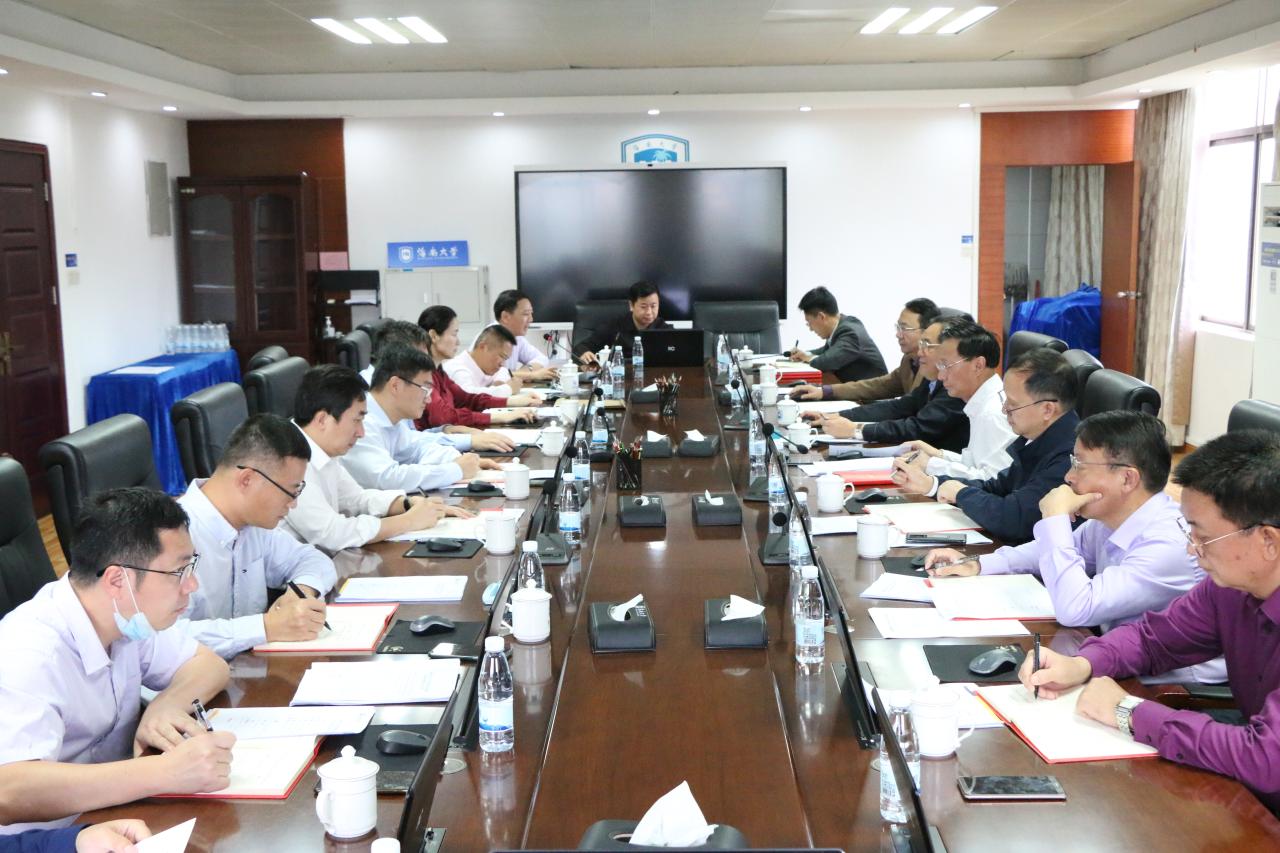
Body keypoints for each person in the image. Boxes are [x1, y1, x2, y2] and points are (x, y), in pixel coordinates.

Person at [1020, 430, 1280, 811]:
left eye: (1203, 536)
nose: (1191, 549)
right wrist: (1082, 663)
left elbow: (1267, 758)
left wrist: (1129, 711)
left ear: (1268, 541)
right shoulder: (1229, 588)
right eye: (1188, 530)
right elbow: (1152, 639)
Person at [926, 411, 1225, 683]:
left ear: (1127, 478)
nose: (1069, 477)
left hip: (1171, 689)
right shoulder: (1111, 518)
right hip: (1111, 659)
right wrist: (980, 564)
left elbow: (1076, 609)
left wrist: (1055, 518)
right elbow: (1052, 551)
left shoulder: (1168, 544)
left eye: (1080, 465)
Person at [0, 489, 233, 834]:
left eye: (191, 566)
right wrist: (164, 773)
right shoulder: (29, 651)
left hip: (113, 815)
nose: (192, 585)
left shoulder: (127, 615)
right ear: (117, 580)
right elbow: (9, 790)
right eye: (179, 571)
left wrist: (165, 707)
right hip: (48, 837)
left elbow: (208, 664)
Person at [178, 413, 337, 658]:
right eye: (291, 491)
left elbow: (314, 559)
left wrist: (301, 591)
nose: (293, 504)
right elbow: (165, 639)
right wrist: (267, 627)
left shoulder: (254, 526)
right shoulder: (172, 536)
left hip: (248, 670)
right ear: (247, 480)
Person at [893, 347, 1078, 544]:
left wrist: (960, 493)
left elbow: (1013, 518)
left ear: (1047, 409)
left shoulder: (1071, 456)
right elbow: (996, 487)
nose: (1004, 409)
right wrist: (933, 484)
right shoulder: (1038, 438)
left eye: (1013, 404)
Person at [285, 364, 474, 553]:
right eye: (356, 420)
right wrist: (408, 521)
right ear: (322, 420)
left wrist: (407, 504)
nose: (361, 433)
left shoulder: (323, 448)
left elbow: (356, 499)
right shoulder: (289, 458)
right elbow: (332, 534)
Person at [805, 316, 968, 452]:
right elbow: (898, 407)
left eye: (927, 345)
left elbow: (918, 428)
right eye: (921, 345)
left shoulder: (955, 386)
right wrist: (839, 416)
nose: (920, 352)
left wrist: (856, 430)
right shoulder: (931, 376)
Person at [345, 343, 492, 493]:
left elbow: (417, 449)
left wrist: (458, 460)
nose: (428, 399)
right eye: (425, 389)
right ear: (395, 386)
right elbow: (387, 479)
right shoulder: (361, 421)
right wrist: (456, 469)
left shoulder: (391, 418)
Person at [895, 317, 1014, 480]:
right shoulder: (983, 402)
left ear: (978, 365)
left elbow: (993, 480)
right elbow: (976, 464)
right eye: (940, 366)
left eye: (946, 366)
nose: (941, 376)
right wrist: (938, 455)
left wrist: (930, 465)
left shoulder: (993, 414)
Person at [791, 298, 939, 402]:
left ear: (927, 331)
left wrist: (857, 427)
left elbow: (909, 413)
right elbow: (877, 385)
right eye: (898, 327)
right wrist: (824, 391)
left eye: (905, 328)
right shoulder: (908, 360)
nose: (898, 334)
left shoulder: (937, 369)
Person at [418, 307, 540, 430]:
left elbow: (467, 398)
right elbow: (443, 416)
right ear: (434, 336)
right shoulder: (422, 374)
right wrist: (500, 416)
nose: (458, 342)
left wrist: (513, 402)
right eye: (454, 334)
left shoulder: (439, 372)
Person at [783, 286, 886, 383]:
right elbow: (826, 351)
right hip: (854, 388)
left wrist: (806, 358)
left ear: (821, 317)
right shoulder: (843, 324)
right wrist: (805, 354)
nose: (810, 329)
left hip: (873, 394)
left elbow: (825, 362)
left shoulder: (850, 333)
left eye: (809, 322)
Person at [572, 280, 672, 364]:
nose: (649, 312)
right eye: (643, 307)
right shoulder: (615, 326)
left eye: (653, 306)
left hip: (655, 378)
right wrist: (584, 353)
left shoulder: (664, 329)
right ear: (631, 305)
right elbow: (580, 347)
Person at [444, 324, 529, 397]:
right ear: (483, 347)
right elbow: (468, 395)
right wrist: (508, 389)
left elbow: (503, 371)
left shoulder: (483, 365)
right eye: (502, 356)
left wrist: (499, 382)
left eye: (505, 359)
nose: (502, 364)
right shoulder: (458, 370)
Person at [492, 289, 558, 382]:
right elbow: (494, 376)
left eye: (531, 313)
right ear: (505, 317)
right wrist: (531, 375)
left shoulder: (516, 337)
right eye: (526, 314)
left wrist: (526, 372)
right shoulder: (490, 339)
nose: (531, 319)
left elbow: (541, 358)